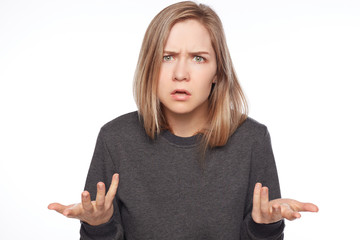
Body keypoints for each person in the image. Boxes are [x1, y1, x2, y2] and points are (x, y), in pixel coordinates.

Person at [48, 1, 319, 239]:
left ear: (217, 71)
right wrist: (98, 227)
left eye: (198, 58)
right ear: (149, 65)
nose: (180, 73)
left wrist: (265, 228)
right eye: (167, 57)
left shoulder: (252, 139)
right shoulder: (115, 138)